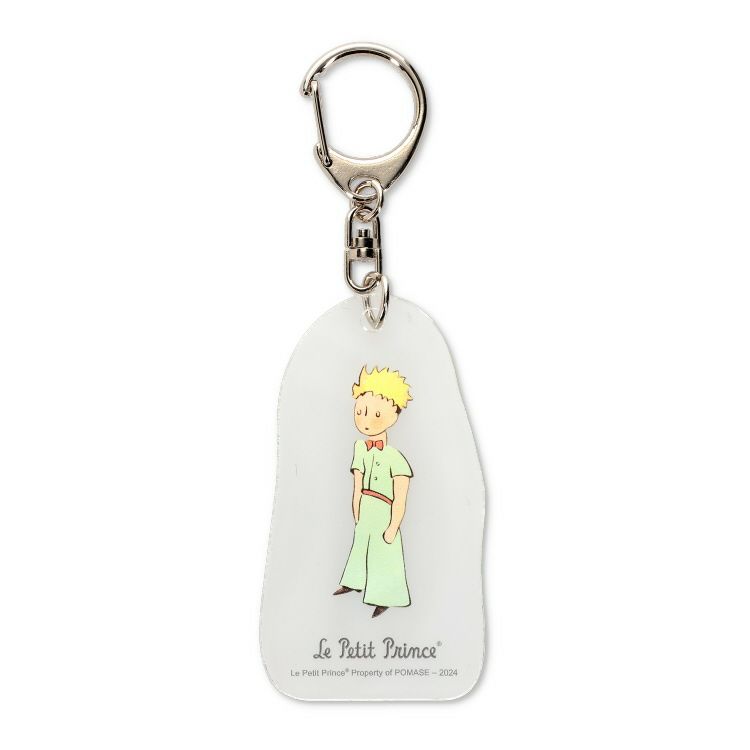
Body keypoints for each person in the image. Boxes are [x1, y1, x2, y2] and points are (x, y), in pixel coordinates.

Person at [334, 366, 414, 617]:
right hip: (365, 508)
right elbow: (357, 483)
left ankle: (386, 596)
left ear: (395, 414)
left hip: (384, 511)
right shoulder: (360, 448)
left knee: (384, 552)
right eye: (360, 411)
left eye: (376, 414)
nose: (366, 420)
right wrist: (356, 508)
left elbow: (400, 497)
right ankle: (354, 581)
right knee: (360, 546)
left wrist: (393, 525)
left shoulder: (395, 458)